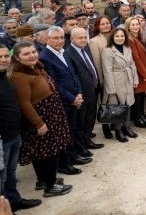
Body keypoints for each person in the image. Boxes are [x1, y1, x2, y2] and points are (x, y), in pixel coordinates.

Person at [9, 42, 73, 197]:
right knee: (48, 152)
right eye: (26, 54)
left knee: (45, 152)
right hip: (41, 117)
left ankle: (44, 180)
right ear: (17, 58)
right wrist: (39, 123)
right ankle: (50, 187)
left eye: (33, 52)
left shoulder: (35, 67)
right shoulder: (19, 76)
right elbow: (24, 103)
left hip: (51, 114)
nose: (32, 55)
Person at [38, 27, 88, 175]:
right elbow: (53, 84)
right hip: (62, 102)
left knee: (71, 130)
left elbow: (74, 75)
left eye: (61, 37)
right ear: (47, 39)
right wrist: (72, 98)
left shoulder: (64, 52)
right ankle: (64, 164)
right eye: (55, 38)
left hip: (74, 98)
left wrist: (78, 94)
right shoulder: (44, 57)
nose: (60, 41)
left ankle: (73, 157)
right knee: (64, 134)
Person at [0, 44, 42, 211]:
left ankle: (14, 201)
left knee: (11, 173)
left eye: (5, 56)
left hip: (14, 134)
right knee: (1, 178)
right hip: (2, 138)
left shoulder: (4, 75)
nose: (3, 59)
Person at [65, 28, 104, 159]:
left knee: (89, 118)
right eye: (80, 38)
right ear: (72, 39)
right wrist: (79, 93)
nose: (83, 40)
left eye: (84, 37)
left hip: (92, 88)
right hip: (81, 93)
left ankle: (87, 140)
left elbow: (90, 67)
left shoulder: (85, 48)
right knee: (80, 122)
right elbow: (73, 75)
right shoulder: (68, 53)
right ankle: (80, 147)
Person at [102, 28, 139, 142]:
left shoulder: (127, 48)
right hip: (115, 81)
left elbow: (132, 64)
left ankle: (127, 127)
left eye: (122, 36)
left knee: (128, 104)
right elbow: (107, 71)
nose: (120, 38)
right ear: (112, 37)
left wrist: (135, 79)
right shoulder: (107, 51)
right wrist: (111, 89)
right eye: (117, 36)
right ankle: (118, 130)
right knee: (117, 107)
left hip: (127, 79)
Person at [88, 16, 115, 139]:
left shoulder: (116, 36)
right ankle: (105, 127)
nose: (106, 25)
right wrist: (101, 81)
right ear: (98, 26)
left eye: (108, 23)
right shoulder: (94, 41)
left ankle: (115, 123)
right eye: (103, 24)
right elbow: (97, 63)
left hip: (118, 76)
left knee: (115, 102)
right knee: (104, 103)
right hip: (104, 77)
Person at [124, 17, 146, 128]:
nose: (135, 27)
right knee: (138, 96)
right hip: (139, 72)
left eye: (137, 24)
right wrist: (144, 74)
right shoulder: (130, 39)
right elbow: (135, 58)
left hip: (145, 69)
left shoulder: (140, 37)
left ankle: (142, 117)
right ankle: (138, 119)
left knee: (142, 95)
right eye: (133, 25)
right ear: (128, 27)